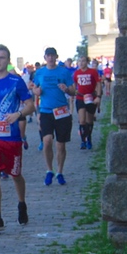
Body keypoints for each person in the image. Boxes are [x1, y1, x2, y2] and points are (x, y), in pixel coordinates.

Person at [0, 44, 34, 231]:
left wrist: (18, 114)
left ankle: (21, 203)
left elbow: (30, 105)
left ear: (8, 60)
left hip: (11, 137)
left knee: (15, 175)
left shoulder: (16, 81)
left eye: (1, 58)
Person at [31, 47, 76, 186]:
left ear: (56, 57)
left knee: (61, 145)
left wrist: (67, 89)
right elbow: (34, 87)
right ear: (45, 58)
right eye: (48, 56)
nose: (50, 58)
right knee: (47, 141)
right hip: (46, 111)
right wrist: (36, 91)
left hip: (61, 111)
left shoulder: (64, 72)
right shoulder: (40, 72)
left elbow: (73, 91)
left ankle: (60, 172)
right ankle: (49, 170)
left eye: (52, 55)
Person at [72, 56, 101, 150]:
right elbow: (74, 85)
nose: (81, 63)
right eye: (79, 61)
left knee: (89, 121)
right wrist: (73, 93)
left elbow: (98, 84)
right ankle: (83, 141)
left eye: (83, 61)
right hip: (80, 97)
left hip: (90, 97)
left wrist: (98, 96)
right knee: (82, 121)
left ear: (87, 62)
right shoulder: (76, 73)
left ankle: (89, 138)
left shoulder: (93, 72)